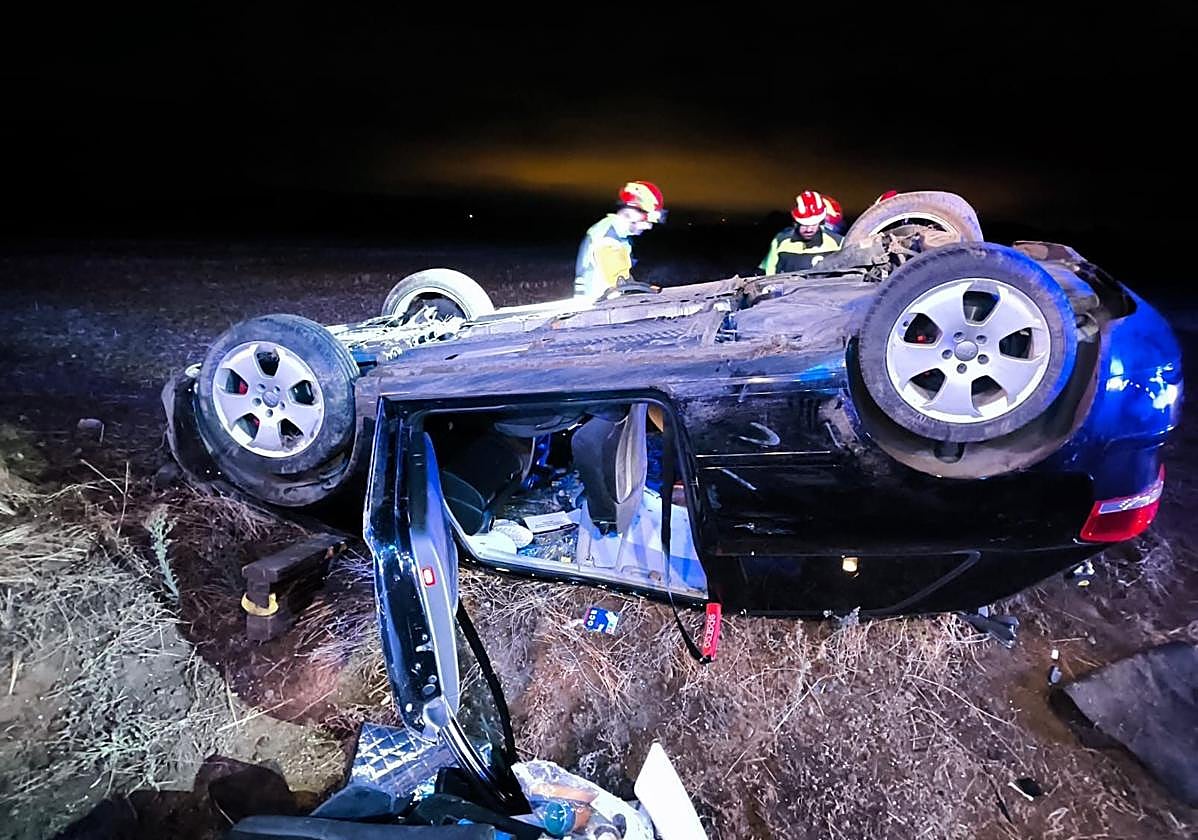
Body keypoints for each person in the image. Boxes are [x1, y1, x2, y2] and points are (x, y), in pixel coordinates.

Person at [574, 181, 666, 300]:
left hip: (604, 305)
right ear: (629, 211)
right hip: (598, 309)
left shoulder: (618, 234)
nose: (648, 226)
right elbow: (620, 286)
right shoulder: (608, 239)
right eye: (646, 219)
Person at [759, 190, 843, 275]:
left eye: (814, 224)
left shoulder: (838, 243)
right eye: (804, 224)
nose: (809, 229)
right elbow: (769, 275)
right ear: (795, 222)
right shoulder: (780, 241)